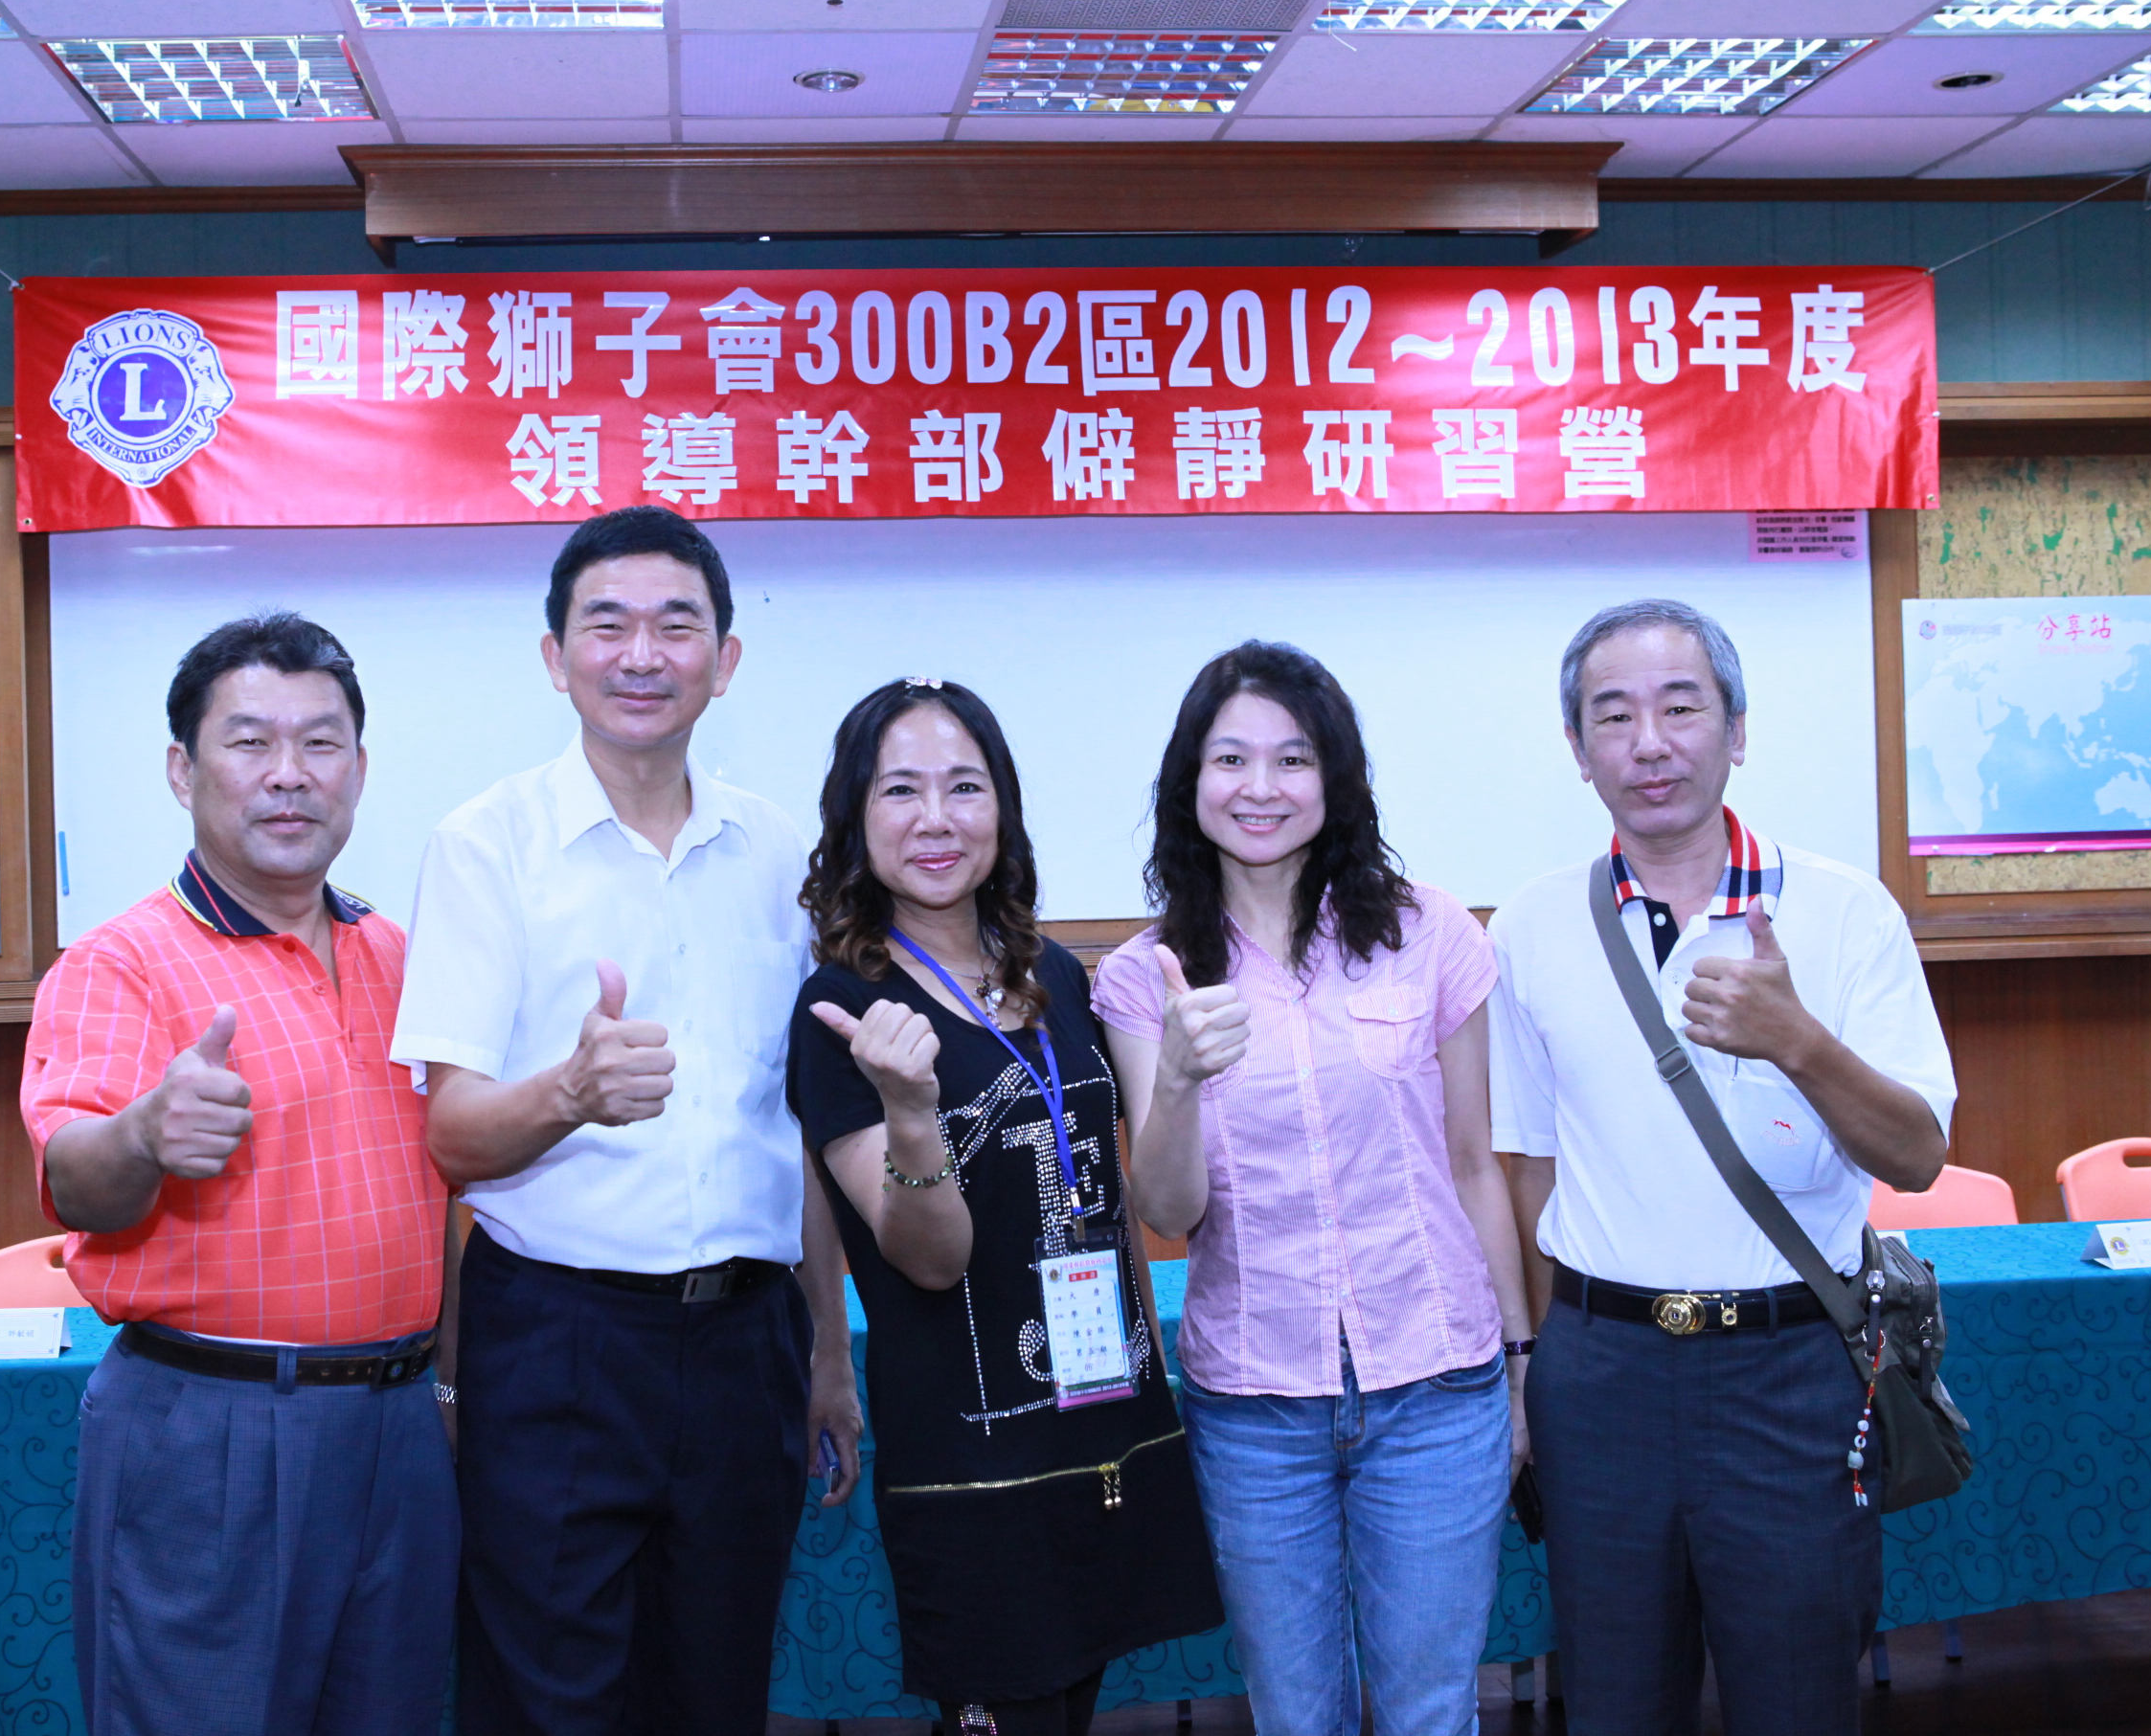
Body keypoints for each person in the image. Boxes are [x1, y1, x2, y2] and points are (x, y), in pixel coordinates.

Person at [391, 506, 862, 1736]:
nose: (641, 654)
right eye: (607, 625)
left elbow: (798, 1128)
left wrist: (826, 1350)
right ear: (556, 656)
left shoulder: (778, 850)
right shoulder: (485, 845)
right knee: (545, 1704)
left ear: (726, 658)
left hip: (749, 1340)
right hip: (560, 1340)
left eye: (676, 625)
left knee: (718, 1695)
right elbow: (450, 1137)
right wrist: (571, 1093)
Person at [1492, 598, 1956, 1736]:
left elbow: (1918, 1154)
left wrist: (1797, 1040)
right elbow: (1528, 1169)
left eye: (1681, 706)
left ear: (1737, 730)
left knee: (1798, 1700)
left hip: (1790, 1368)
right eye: (1614, 715)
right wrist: (1535, 1364)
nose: (1650, 742)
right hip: (1602, 1373)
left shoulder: (1844, 910)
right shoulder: (1532, 926)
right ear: (1579, 749)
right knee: (1615, 1702)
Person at [22, 612, 457, 1736]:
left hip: (403, 1426)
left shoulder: (400, 955)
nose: (289, 774)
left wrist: (446, 1397)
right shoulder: (120, 963)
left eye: (321, 743)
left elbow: (450, 1200)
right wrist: (144, 1133)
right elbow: (75, 1180)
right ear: (183, 769)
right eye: (251, 742)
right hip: (213, 1429)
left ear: (359, 768)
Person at [1093, 641, 1534, 1736]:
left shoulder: (1431, 931)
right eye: (1230, 758)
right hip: (1255, 1407)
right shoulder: (1146, 976)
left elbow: (1474, 1162)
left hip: (1438, 1385)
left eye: (1292, 758)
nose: (1261, 786)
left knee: (1431, 1708)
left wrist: (1521, 1366)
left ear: (1335, 776)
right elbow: (1169, 1210)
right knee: (1297, 1714)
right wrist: (1178, 1078)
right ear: (1190, 781)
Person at [789, 677, 1222, 1736]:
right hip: (972, 1453)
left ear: (1004, 808)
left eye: (965, 786)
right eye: (901, 790)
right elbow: (927, 1259)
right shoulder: (843, 1008)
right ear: (854, 817)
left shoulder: (1056, 976)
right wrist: (910, 1113)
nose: (936, 818)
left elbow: (1114, 1192)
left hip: (1099, 1419)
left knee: (1072, 1707)